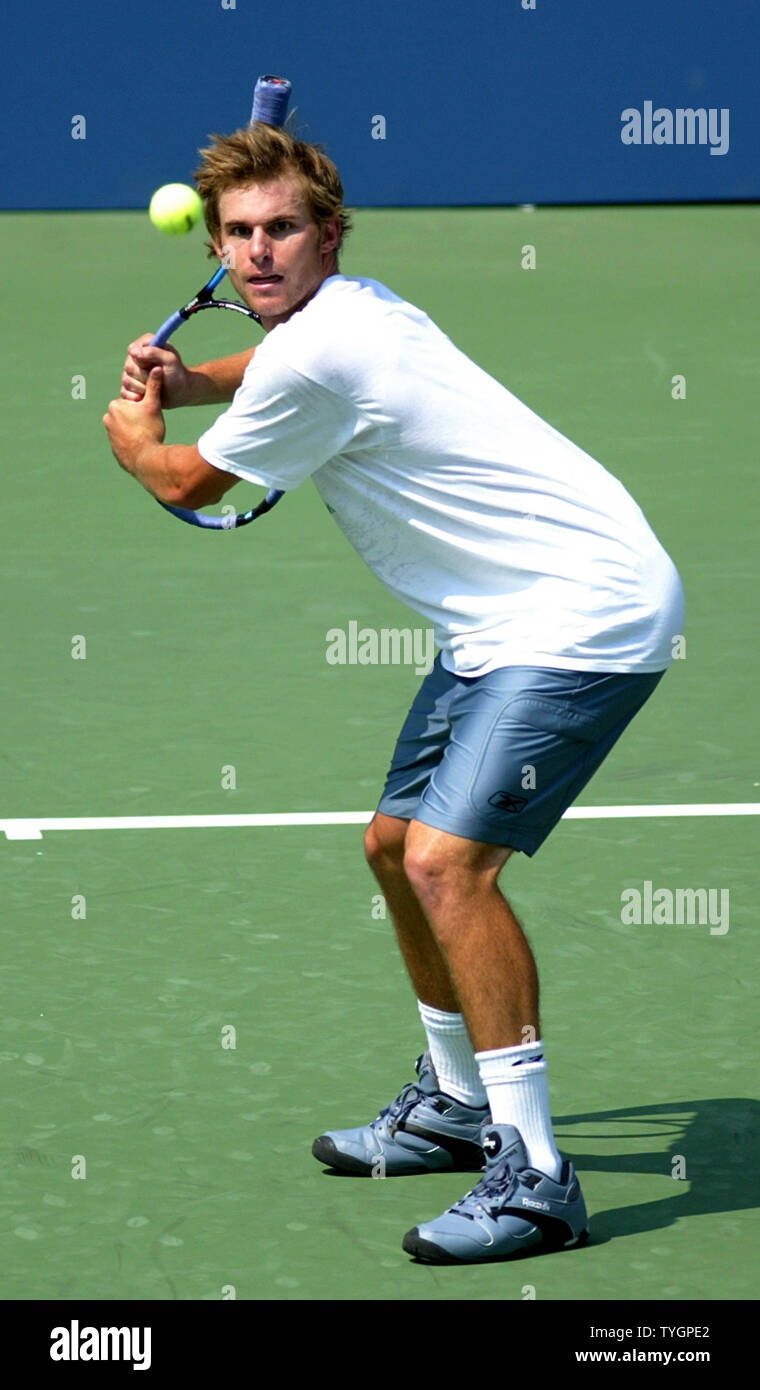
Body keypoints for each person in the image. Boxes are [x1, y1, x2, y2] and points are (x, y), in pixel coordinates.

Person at [104, 124, 685, 1265]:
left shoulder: (324, 353)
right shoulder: (354, 311)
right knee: (389, 845)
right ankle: (455, 1107)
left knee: (444, 863)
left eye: (282, 229)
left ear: (326, 234)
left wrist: (137, 434)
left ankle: (535, 1181)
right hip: (498, 618)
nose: (260, 250)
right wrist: (194, 377)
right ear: (219, 246)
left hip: (584, 612)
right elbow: (268, 374)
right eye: (241, 233)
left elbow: (185, 480)